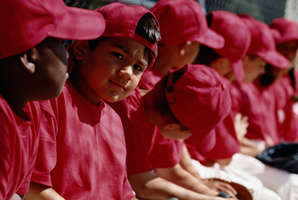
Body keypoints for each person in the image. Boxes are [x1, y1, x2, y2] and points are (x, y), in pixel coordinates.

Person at [25, 3, 160, 200]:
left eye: (139, 67)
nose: (127, 73)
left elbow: (125, 195)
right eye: (118, 55)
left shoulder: (115, 120)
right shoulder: (51, 100)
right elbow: (34, 186)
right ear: (81, 48)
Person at [0, 0, 105, 199]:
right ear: (29, 58)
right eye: (62, 44)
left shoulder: (29, 107)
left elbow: (14, 194)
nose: (68, 53)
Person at [185, 10, 281, 200]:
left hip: (195, 165)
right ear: (221, 62)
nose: (264, 70)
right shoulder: (213, 86)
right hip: (198, 166)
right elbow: (222, 156)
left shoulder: (185, 76)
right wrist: (236, 137)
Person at [109, 64, 232, 200]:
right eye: (191, 133)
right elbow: (143, 185)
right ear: (172, 127)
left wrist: (216, 195)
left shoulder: (158, 113)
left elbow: (171, 172)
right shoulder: (127, 113)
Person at [227, 17, 298, 200]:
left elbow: (285, 135)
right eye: (284, 46)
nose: (289, 54)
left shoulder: (281, 83)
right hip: (237, 157)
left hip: (256, 154)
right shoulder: (239, 84)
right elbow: (222, 150)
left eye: (294, 48)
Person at [138, 0, 224, 90]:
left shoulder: (135, 72)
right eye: (199, 46)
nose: (199, 51)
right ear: (185, 47)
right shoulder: (161, 90)